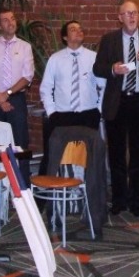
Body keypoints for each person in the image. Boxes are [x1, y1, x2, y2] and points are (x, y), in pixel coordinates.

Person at [93, 1, 139, 217]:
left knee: (138, 156)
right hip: (117, 102)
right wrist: (112, 69)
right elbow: (98, 68)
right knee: (116, 155)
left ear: (138, 15)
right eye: (127, 13)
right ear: (119, 17)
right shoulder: (109, 39)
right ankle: (119, 200)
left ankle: (136, 201)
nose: (131, 17)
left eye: (134, 13)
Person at [39, 20, 105, 175]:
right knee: (56, 156)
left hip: (88, 115)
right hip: (62, 116)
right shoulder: (55, 59)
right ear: (64, 37)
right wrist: (51, 112)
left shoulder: (94, 57)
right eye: (73, 29)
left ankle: (87, 193)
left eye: (80, 29)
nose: (79, 31)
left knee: (89, 157)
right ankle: (55, 192)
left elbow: (104, 86)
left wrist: (99, 110)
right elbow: (46, 87)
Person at [0, 8, 34, 185]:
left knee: (20, 142)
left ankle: (23, 187)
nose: (11, 22)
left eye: (13, 18)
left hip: (15, 98)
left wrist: (6, 95)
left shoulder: (25, 47)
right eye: (6, 20)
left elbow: (27, 76)